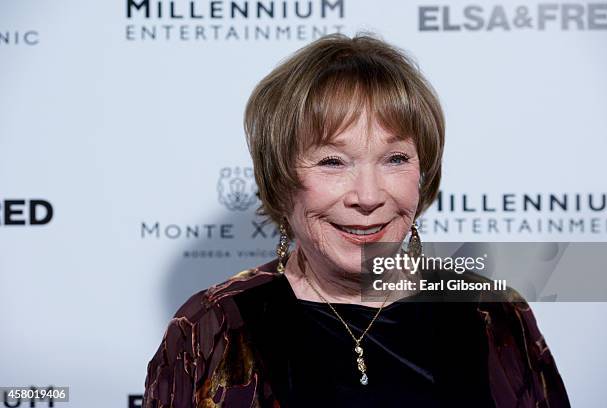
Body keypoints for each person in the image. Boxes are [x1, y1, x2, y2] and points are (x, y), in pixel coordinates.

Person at [143, 33, 570, 407]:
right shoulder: (213, 328)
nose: (368, 197)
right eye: (333, 161)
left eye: (395, 158)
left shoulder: (491, 313)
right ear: (280, 178)